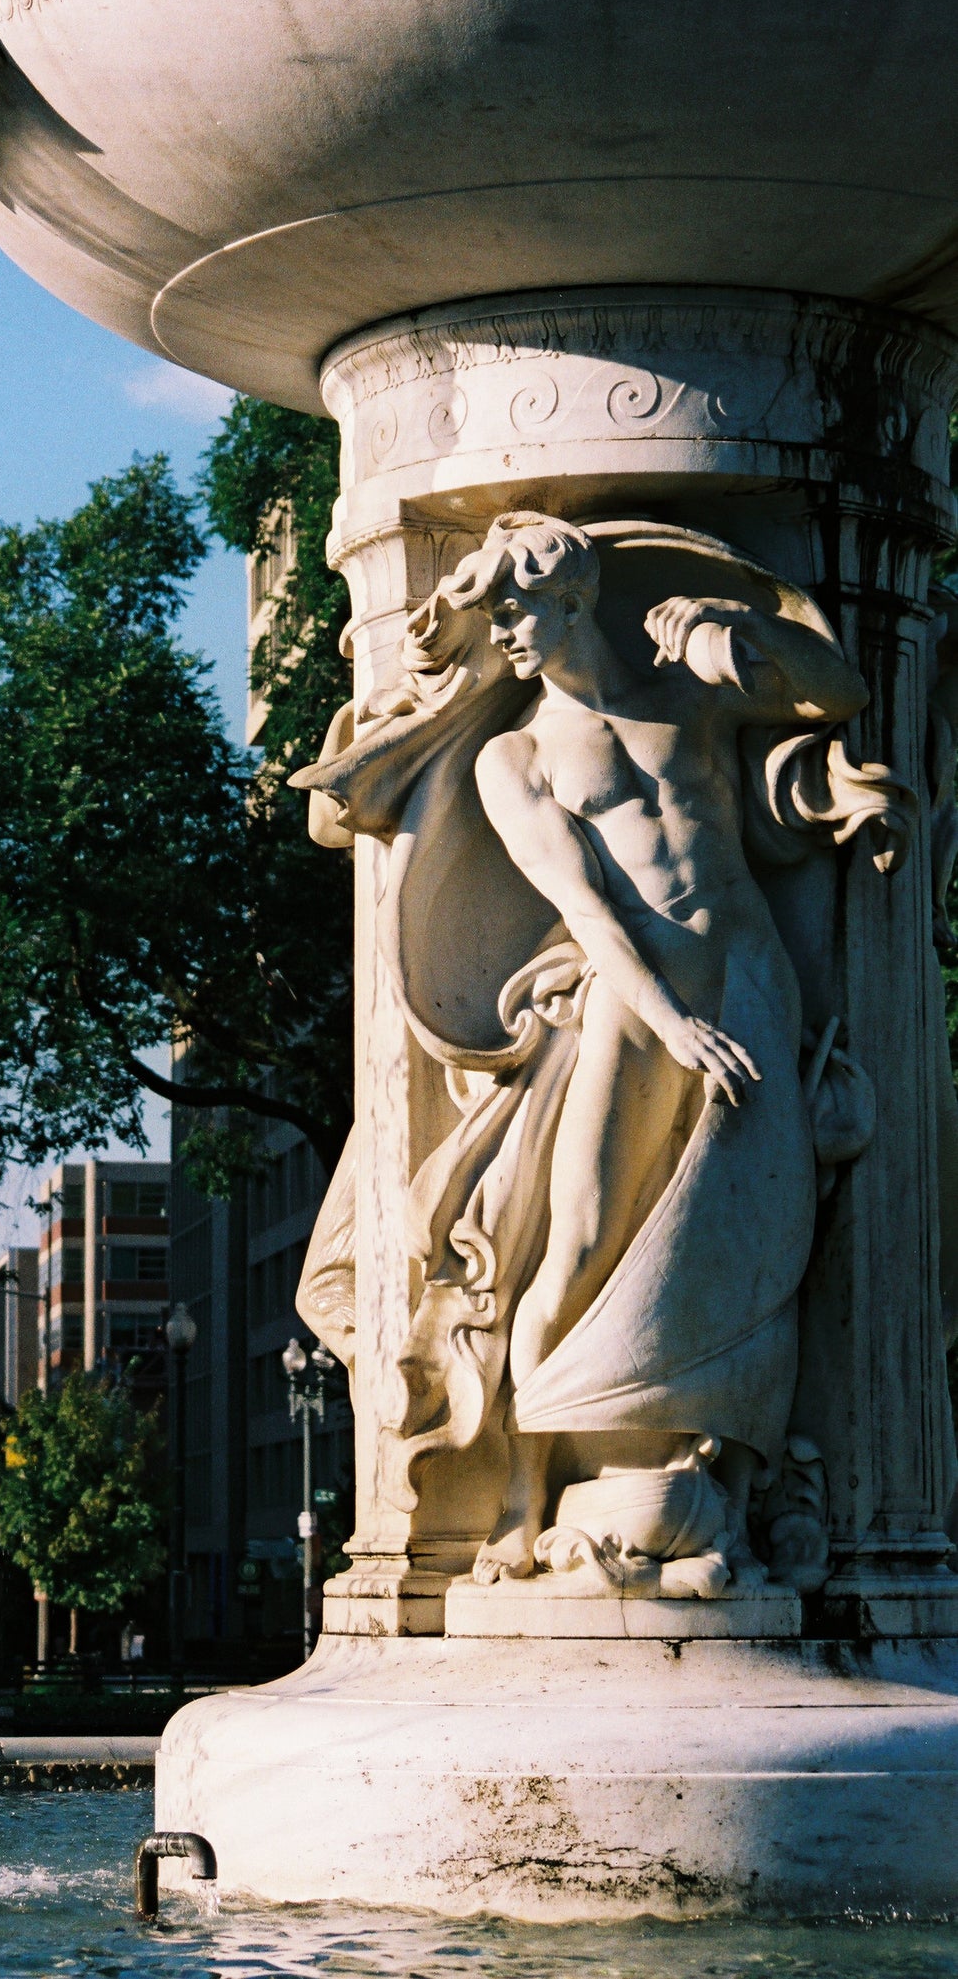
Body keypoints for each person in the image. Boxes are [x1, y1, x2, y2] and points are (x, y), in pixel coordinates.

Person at [294, 512, 902, 1583]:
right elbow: (585, 909)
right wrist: (668, 1022)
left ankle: (726, 1471)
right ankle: (522, 1493)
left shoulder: (685, 690)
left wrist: (730, 629)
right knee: (572, 1229)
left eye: (517, 609)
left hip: (748, 974)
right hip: (639, 994)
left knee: (753, 1220)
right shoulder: (511, 755)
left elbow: (837, 696)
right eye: (493, 617)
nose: (506, 633)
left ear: (575, 597)